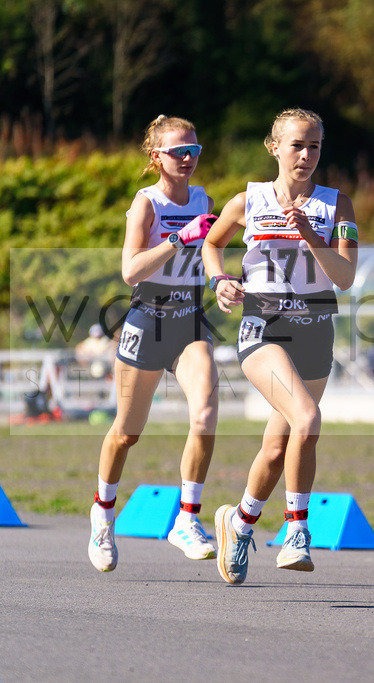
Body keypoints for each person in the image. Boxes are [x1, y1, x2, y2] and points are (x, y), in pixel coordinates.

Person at [201, 108, 358, 585]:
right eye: (297, 145)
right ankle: (296, 532)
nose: (307, 155)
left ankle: (240, 523)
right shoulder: (248, 200)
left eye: (314, 146)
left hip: (316, 331)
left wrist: (312, 235)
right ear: (274, 147)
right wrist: (220, 279)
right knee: (307, 419)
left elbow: (346, 277)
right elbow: (212, 244)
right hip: (263, 330)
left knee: (276, 448)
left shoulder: (338, 206)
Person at [88, 115, 221, 573]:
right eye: (178, 151)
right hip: (148, 319)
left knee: (204, 411)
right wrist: (175, 240)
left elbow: (209, 251)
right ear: (155, 157)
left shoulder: (204, 199)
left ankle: (186, 519)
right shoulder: (147, 204)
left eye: (194, 150)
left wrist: (222, 278)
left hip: (189, 320)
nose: (187, 158)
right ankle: (102, 517)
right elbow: (130, 271)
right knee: (126, 433)